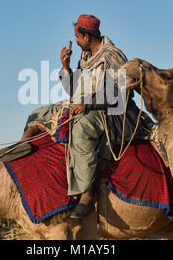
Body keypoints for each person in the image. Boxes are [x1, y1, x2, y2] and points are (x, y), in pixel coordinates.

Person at [21, 14, 151, 218]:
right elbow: (75, 92)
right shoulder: (86, 58)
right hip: (88, 105)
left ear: (88, 37)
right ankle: (23, 151)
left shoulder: (112, 56)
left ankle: (87, 194)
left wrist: (87, 104)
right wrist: (65, 67)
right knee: (38, 114)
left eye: (78, 37)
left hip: (115, 113)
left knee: (81, 128)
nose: (76, 41)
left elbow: (122, 93)